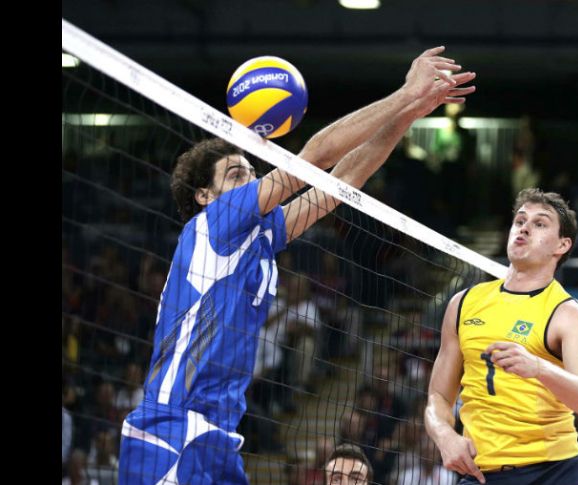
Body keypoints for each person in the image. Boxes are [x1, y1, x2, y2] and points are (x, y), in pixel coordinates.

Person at [117, 46, 476, 484]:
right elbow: (316, 155)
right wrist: (404, 92)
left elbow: (341, 181)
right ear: (204, 196)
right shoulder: (211, 225)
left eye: (251, 173)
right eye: (235, 175)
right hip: (170, 429)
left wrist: (409, 113)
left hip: (219, 435)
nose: (251, 181)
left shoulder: (262, 239)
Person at [424, 188, 578, 484]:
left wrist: (539, 368)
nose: (524, 227)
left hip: (555, 471)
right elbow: (438, 397)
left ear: (562, 245)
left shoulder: (567, 314)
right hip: (483, 473)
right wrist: (445, 435)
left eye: (540, 223)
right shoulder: (463, 303)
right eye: (520, 220)